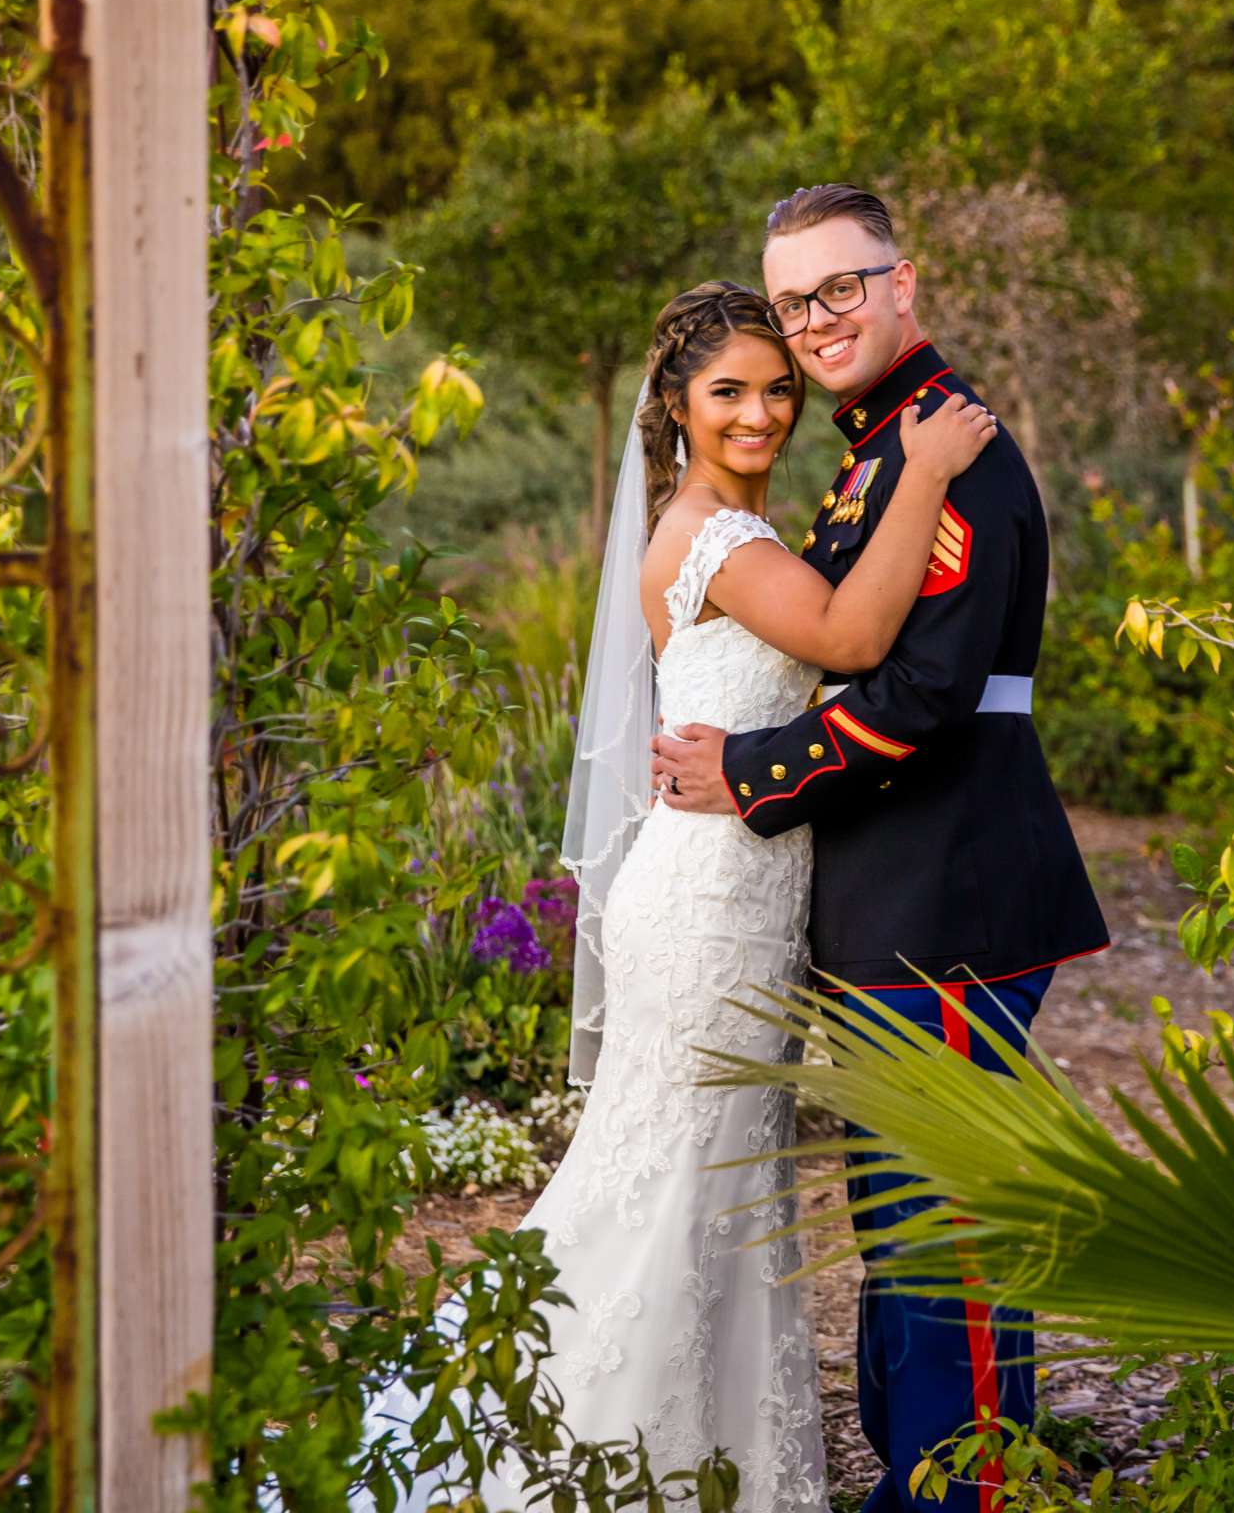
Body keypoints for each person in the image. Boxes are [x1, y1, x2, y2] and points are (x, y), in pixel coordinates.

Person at [376, 279, 996, 1512]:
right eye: (730, 392)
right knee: (671, 1188)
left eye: (777, 388)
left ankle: (702, 1461)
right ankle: (575, 1451)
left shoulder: (741, 526)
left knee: (719, 1188)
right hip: (710, 907)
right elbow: (857, 638)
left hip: (742, 891)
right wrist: (923, 467)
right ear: (674, 405)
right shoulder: (715, 537)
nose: (763, 411)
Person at [650, 186, 1108, 1513]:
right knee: (903, 1228)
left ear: (905, 280)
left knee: (943, 1239)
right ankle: (923, 1480)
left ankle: (964, 1497)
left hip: (952, 892)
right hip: (898, 897)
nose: (816, 320)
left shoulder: (948, 445)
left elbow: (922, 694)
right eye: (795, 302)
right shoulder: (882, 453)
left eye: (839, 288)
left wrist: (748, 774)